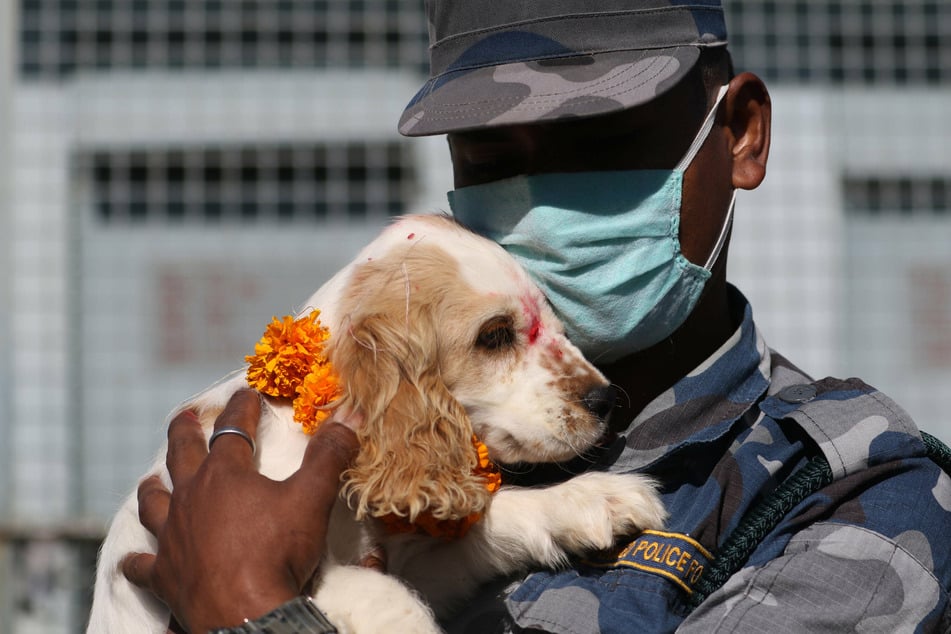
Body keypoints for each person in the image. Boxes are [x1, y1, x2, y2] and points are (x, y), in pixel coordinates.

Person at [122, 1, 951, 632]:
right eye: (487, 158)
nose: (541, 204)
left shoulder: (847, 489)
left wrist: (252, 608)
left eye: (598, 141)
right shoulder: (385, 417)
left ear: (739, 135)